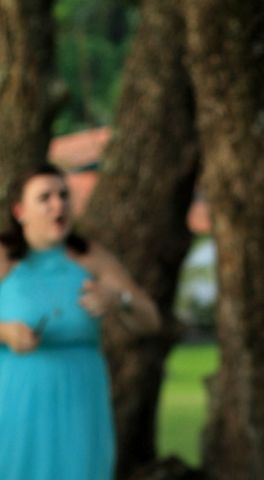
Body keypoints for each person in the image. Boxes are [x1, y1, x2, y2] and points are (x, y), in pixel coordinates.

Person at [0, 164, 160, 480]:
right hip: (18, 399)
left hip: (81, 399)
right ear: (21, 211)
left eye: (63, 195)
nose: (58, 204)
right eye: (45, 197)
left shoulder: (89, 256)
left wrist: (118, 300)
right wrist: (4, 332)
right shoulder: (5, 257)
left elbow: (150, 320)